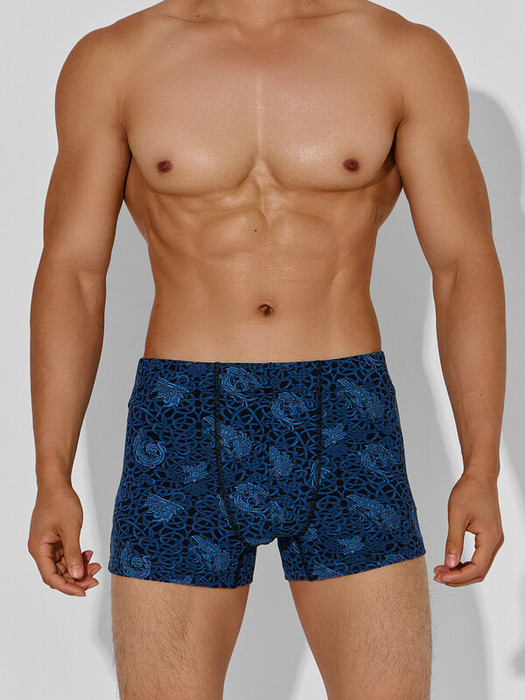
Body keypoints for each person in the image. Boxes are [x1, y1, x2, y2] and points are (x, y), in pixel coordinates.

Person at [27, 1, 506, 698]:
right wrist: (51, 474)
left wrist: (482, 465)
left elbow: (463, 266)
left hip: (346, 416)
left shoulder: (401, 55)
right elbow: (73, 274)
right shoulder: (116, 61)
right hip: (181, 419)